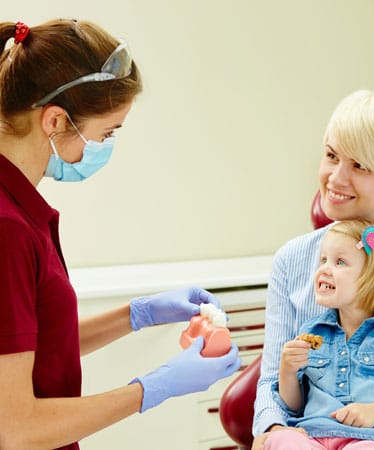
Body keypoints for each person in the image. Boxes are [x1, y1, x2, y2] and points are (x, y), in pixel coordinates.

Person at [0, 19, 241, 450]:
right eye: (106, 133)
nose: (106, 146)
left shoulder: (19, 211)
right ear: (55, 120)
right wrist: (151, 389)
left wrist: (137, 314)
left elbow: (34, 350)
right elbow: (14, 429)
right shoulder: (8, 231)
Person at [252, 90, 374, 450]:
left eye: (360, 166)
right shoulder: (291, 260)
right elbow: (272, 386)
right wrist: (273, 430)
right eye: (331, 156)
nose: (335, 178)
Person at [262, 220, 374, 450]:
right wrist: (287, 370)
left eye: (340, 262)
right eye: (323, 260)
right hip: (313, 435)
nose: (324, 269)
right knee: (279, 439)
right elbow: (294, 404)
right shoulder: (312, 331)